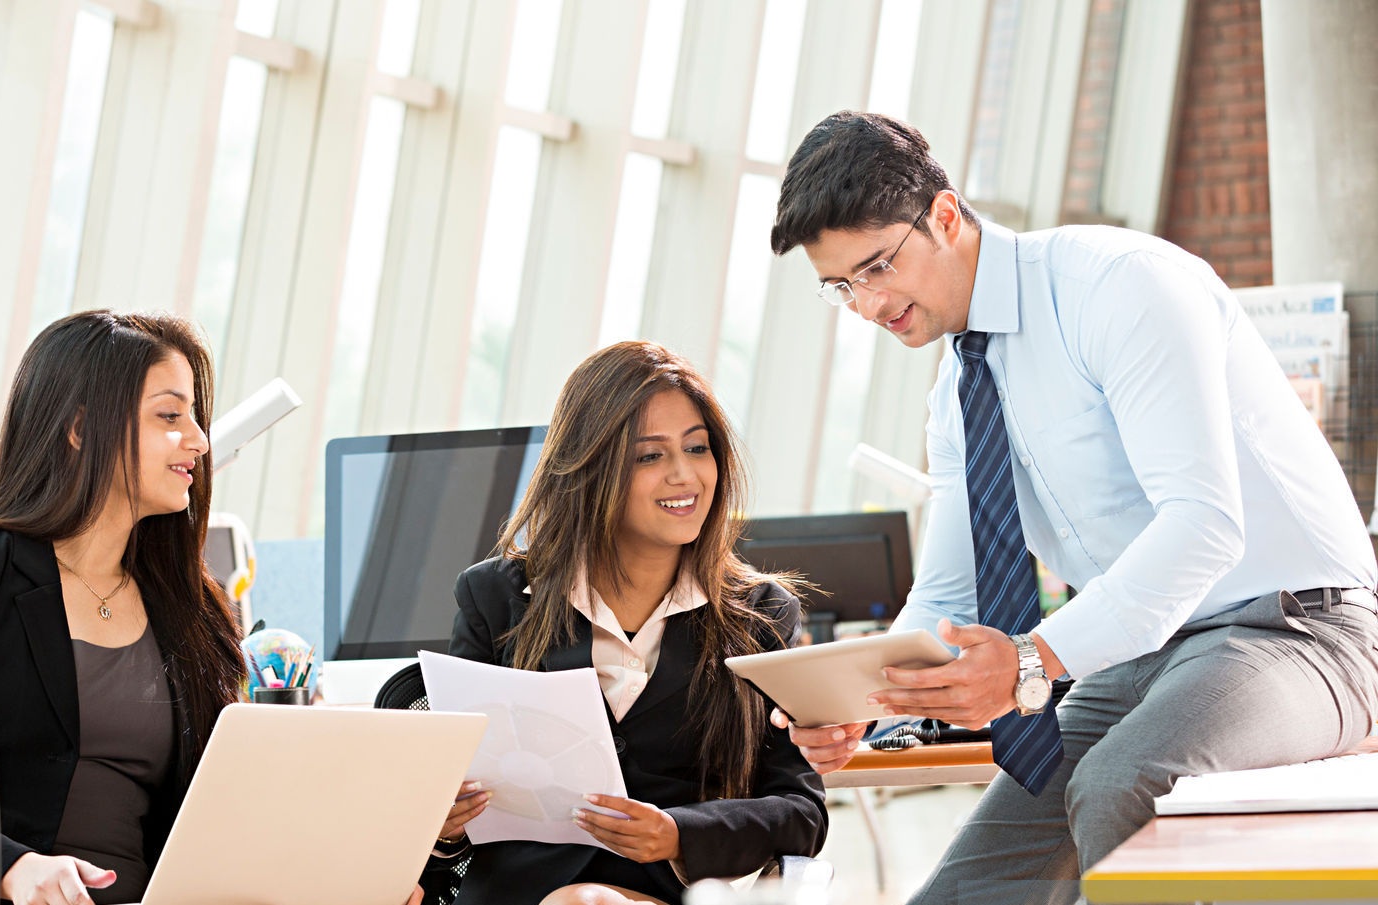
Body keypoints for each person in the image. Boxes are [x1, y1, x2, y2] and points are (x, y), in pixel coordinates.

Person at [766, 111, 1378, 904]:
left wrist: (1031, 660)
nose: (868, 305)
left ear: (944, 216)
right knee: (967, 891)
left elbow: (1204, 524)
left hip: (1300, 626)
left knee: (1124, 784)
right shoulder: (956, 394)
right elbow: (949, 598)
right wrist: (861, 706)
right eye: (842, 286)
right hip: (1136, 657)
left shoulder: (1118, 286)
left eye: (877, 267)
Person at [0, 310, 246, 905]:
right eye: (169, 416)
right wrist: (10, 867)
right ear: (80, 428)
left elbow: (219, 809)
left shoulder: (193, 609)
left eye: (195, 417)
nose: (199, 440)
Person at [428, 341, 829, 905]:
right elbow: (441, 787)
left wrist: (678, 834)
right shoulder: (496, 597)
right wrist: (441, 822)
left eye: (698, 448)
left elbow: (800, 814)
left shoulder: (761, 615)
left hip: (663, 891)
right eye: (650, 456)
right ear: (591, 466)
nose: (685, 476)